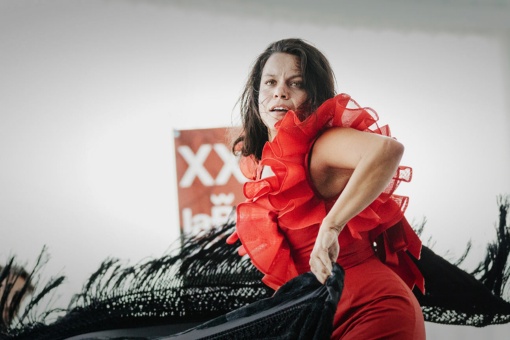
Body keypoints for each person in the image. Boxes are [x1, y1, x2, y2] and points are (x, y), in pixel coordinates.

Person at [227, 38, 426, 339]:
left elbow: (388, 151)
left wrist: (331, 226)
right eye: (270, 82)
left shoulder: (320, 147)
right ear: (256, 95)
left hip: (372, 309)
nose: (280, 91)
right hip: (321, 318)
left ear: (313, 95)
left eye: (296, 83)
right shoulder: (266, 163)